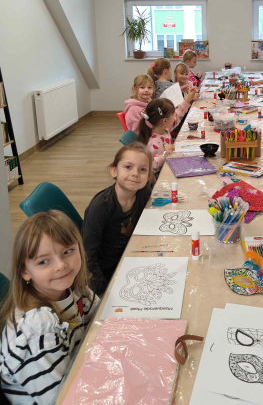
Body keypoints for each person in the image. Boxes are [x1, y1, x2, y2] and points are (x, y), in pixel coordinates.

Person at [0, 211, 99, 405]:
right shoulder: (37, 330)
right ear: (25, 272)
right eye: (43, 261)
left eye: (67, 251)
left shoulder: (73, 288)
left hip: (78, 370)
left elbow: (101, 320)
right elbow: (62, 399)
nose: (61, 265)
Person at [82, 143, 153, 295]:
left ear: (148, 177)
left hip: (132, 259)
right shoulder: (101, 207)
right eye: (128, 167)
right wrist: (103, 291)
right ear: (114, 170)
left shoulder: (143, 194)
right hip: (106, 274)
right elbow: (88, 255)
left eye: (142, 169)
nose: (135, 174)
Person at [137, 94, 195, 174]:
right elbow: (151, 166)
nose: (175, 116)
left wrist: (188, 98)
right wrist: (164, 154)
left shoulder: (164, 128)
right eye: (173, 115)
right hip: (160, 176)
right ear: (164, 121)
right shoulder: (153, 143)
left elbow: (178, 114)